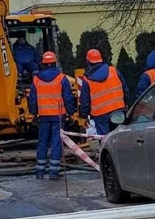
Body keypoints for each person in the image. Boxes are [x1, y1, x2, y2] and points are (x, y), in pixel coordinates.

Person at [29, 51, 76, 180]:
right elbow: (68, 97)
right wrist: (71, 113)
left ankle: (40, 171)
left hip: (43, 115)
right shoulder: (61, 78)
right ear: (55, 63)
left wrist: (33, 113)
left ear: (43, 64)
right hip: (58, 116)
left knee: (42, 142)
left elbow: (32, 99)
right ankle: (53, 172)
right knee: (56, 143)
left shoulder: (36, 79)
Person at [78, 49, 129, 137]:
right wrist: (127, 104)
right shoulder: (113, 71)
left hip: (100, 116)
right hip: (118, 110)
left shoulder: (87, 80)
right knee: (120, 138)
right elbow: (125, 89)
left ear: (88, 62)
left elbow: (85, 102)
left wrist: (84, 117)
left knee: (105, 140)